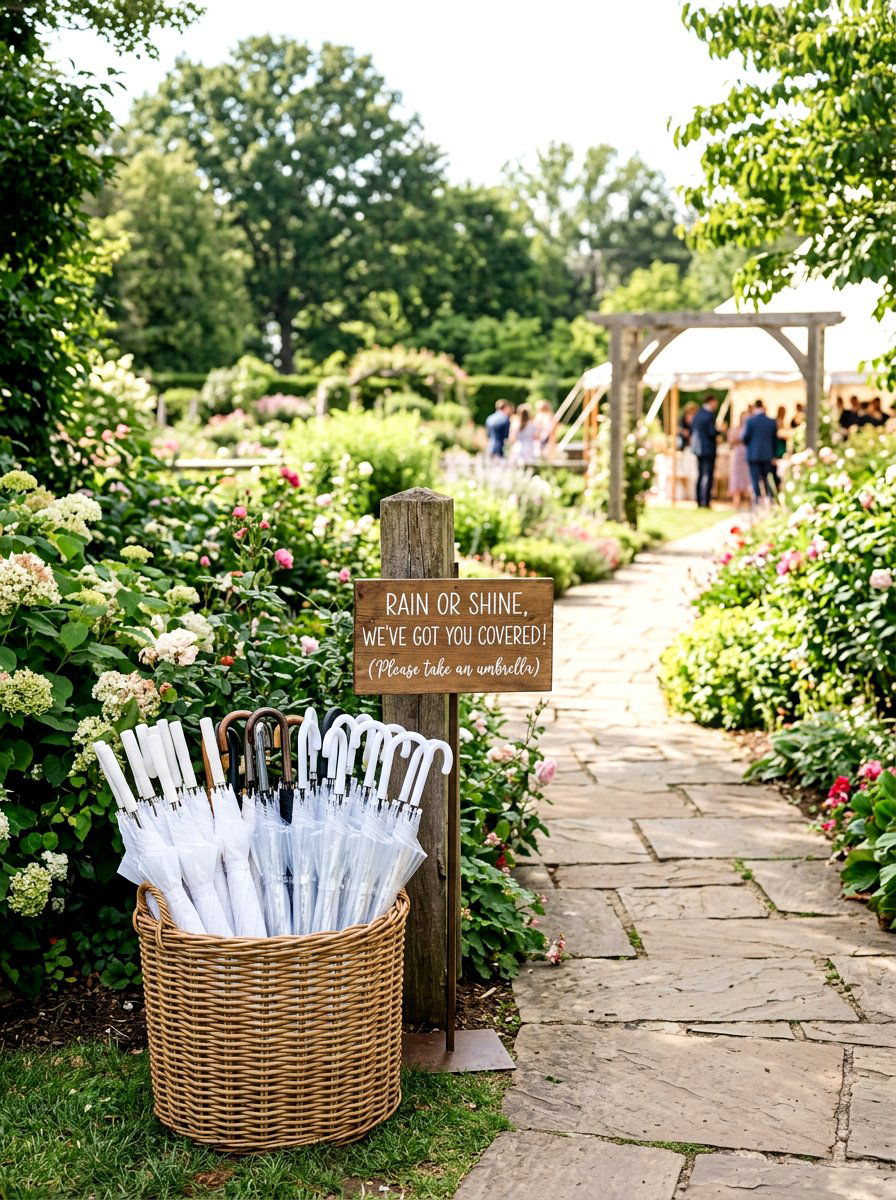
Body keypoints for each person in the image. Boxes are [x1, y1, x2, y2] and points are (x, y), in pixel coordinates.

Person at [742, 399, 779, 504]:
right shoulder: (771, 422)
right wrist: (774, 455)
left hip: (753, 455)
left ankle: (757, 500)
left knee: (755, 479)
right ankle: (769, 499)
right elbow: (774, 441)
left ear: (755, 407)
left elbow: (745, 438)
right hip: (768, 455)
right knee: (768, 478)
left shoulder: (750, 421)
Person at [689, 394, 720, 508]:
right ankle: (705, 501)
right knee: (707, 475)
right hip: (708, 449)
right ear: (711, 401)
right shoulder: (709, 415)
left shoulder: (697, 414)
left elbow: (692, 429)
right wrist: (720, 431)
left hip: (698, 449)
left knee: (700, 474)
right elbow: (711, 432)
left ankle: (698, 500)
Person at [727, 409, 750, 509]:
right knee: (736, 477)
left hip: (747, 454)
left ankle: (748, 503)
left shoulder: (749, 429)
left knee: (747, 477)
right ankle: (736, 502)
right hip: (737, 455)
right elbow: (730, 442)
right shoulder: (735, 429)